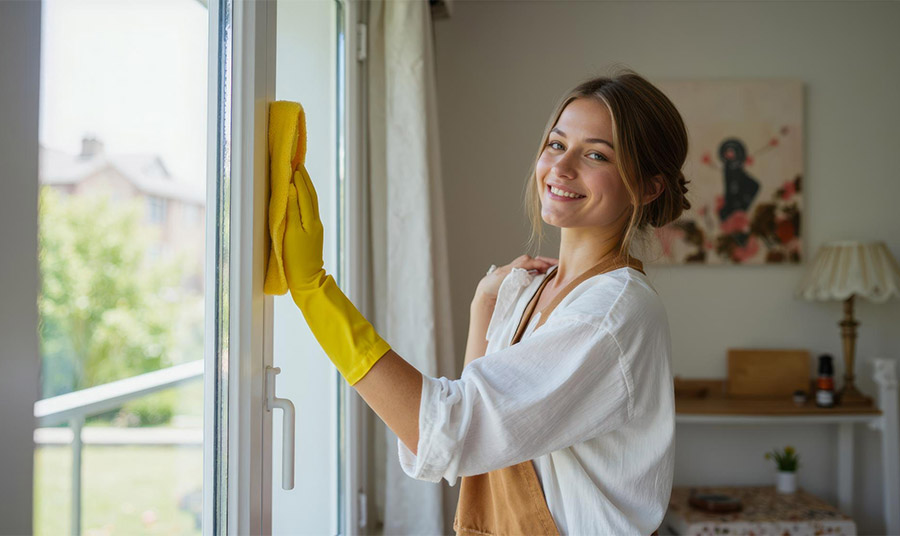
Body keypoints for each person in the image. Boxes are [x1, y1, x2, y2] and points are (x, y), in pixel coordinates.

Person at [280, 68, 690, 535]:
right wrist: (484, 311)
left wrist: (314, 291)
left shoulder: (611, 316)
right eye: (556, 144)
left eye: (595, 155)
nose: (561, 167)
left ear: (647, 187)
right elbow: (469, 446)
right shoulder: (532, 288)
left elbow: (443, 434)